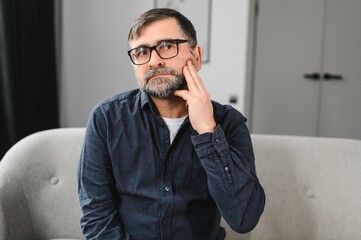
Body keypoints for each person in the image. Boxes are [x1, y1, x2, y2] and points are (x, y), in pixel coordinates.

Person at [77, 8, 265, 240]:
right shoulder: (106, 119)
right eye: (141, 52)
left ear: (196, 56)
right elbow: (97, 218)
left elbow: (244, 219)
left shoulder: (229, 122)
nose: (154, 61)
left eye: (167, 46)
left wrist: (208, 131)